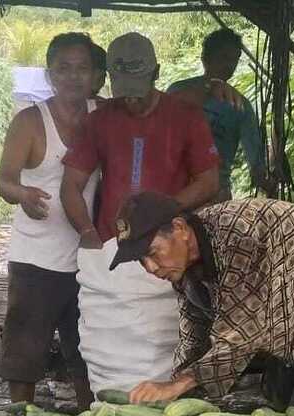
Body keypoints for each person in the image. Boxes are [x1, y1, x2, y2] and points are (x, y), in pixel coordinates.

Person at [113, 192, 294, 414]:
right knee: (280, 410)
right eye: (140, 260)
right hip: (282, 318)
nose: (150, 267)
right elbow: (195, 332)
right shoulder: (184, 261)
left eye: (152, 253)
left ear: (180, 229)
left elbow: (243, 330)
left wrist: (180, 384)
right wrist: (177, 389)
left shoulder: (240, 236)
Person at [61, 32, 220, 394]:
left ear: (157, 73)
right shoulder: (100, 120)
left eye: (138, 88)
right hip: (114, 251)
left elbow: (209, 181)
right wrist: (88, 235)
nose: (130, 99)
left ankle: (167, 402)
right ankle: (108, 406)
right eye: (123, 90)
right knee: (108, 349)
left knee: (166, 345)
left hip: (166, 247)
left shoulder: (185, 117)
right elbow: (71, 185)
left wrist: (167, 210)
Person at [0, 33, 98, 409]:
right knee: (24, 353)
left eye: (82, 68)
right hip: (35, 259)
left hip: (88, 257)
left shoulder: (103, 114)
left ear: (94, 73)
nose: (73, 76)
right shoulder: (30, 122)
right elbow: (4, 179)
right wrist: (22, 195)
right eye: (64, 68)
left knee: (88, 351)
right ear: (50, 74)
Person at [168, 28, 268, 201]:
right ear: (206, 58)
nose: (229, 65)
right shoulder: (179, 91)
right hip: (176, 187)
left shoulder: (239, 105)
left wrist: (266, 179)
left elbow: (256, 162)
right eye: (223, 58)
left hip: (215, 193)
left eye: (234, 60)